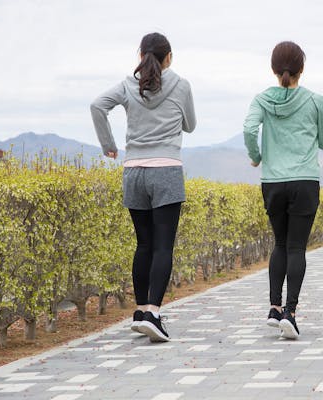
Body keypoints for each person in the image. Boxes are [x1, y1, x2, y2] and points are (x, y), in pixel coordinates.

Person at [90, 32, 196, 342]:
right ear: (169, 58)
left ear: (141, 56)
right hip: (166, 170)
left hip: (134, 170)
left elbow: (97, 106)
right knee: (163, 246)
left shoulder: (127, 85)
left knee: (144, 244)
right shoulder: (181, 85)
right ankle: (153, 313)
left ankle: (139, 312)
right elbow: (189, 125)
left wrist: (108, 145)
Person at [243, 41, 323, 339]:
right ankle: (290, 315)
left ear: (273, 69)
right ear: (302, 69)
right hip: (305, 181)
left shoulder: (261, 100)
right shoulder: (316, 101)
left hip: (272, 182)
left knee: (279, 243)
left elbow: (248, 129)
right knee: (296, 247)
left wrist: (256, 157)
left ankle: (273, 307)